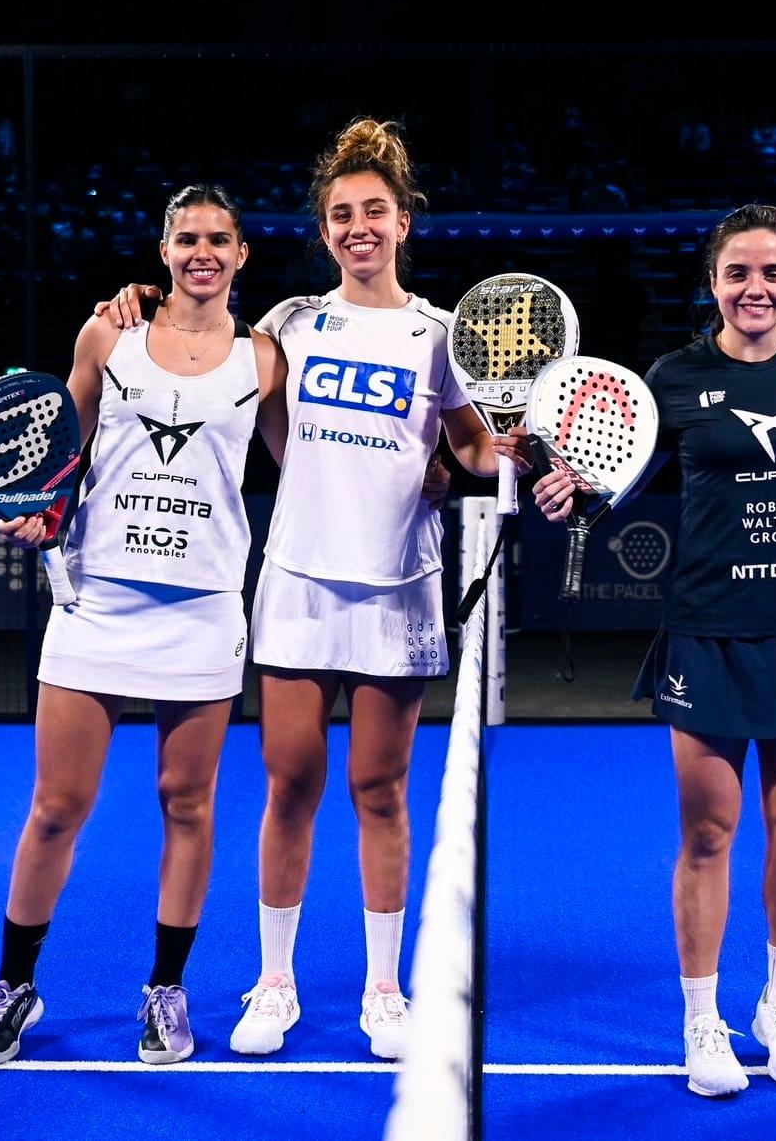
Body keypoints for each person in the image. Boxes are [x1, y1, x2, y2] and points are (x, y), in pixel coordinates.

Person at [95, 117, 528, 1061]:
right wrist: (132, 300)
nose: (358, 227)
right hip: (295, 584)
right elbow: (217, 362)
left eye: (375, 211)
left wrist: (526, 451)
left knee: (380, 790)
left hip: (398, 589)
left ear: (404, 222)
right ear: (324, 230)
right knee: (289, 786)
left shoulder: (440, 335)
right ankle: (274, 984)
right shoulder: (286, 323)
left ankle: (383, 990)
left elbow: (468, 447)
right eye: (341, 214)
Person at [531, 203, 776, 1097]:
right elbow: (616, 477)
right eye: (738, 273)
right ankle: (702, 1020)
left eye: (772, 273)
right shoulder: (675, 377)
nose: (754, 288)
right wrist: (573, 490)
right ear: (713, 283)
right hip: (707, 630)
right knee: (708, 834)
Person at [0, 183, 290, 1067]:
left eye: (220, 238)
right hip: (96, 602)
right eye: (187, 237)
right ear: (162, 249)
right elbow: (58, 452)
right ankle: (15, 986)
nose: (203, 253)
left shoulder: (265, 359)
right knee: (56, 806)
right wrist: (41, 508)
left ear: (243, 253)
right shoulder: (107, 336)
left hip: (204, 609)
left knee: (187, 804)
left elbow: (303, 467)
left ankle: (165, 991)